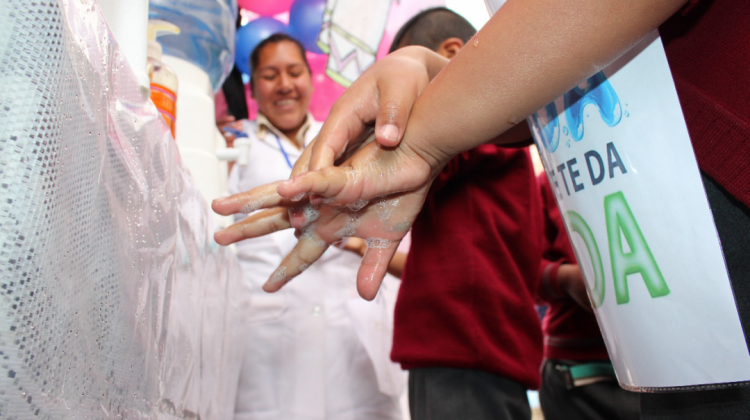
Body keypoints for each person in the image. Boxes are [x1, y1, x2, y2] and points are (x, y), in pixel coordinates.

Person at [214, 0, 750, 418]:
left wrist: (420, 123)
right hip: (639, 300)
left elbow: (475, 133)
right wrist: (423, 75)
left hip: (479, 345)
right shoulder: (517, 137)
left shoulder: (478, 147)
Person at [378, 8, 544, 420]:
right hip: (477, 343)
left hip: (463, 342)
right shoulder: (502, 132)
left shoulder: (477, 121)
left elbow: (413, 161)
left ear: (451, 54)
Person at [227, 33, 403, 420]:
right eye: (270, 75)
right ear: (253, 86)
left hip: (351, 330)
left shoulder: (350, 139)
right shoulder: (235, 147)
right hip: (268, 332)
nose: (285, 85)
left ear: (310, 77)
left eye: (294, 72)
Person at [536, 173, 640, 420]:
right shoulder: (548, 182)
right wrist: (564, 278)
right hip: (574, 367)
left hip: (654, 362)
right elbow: (519, 270)